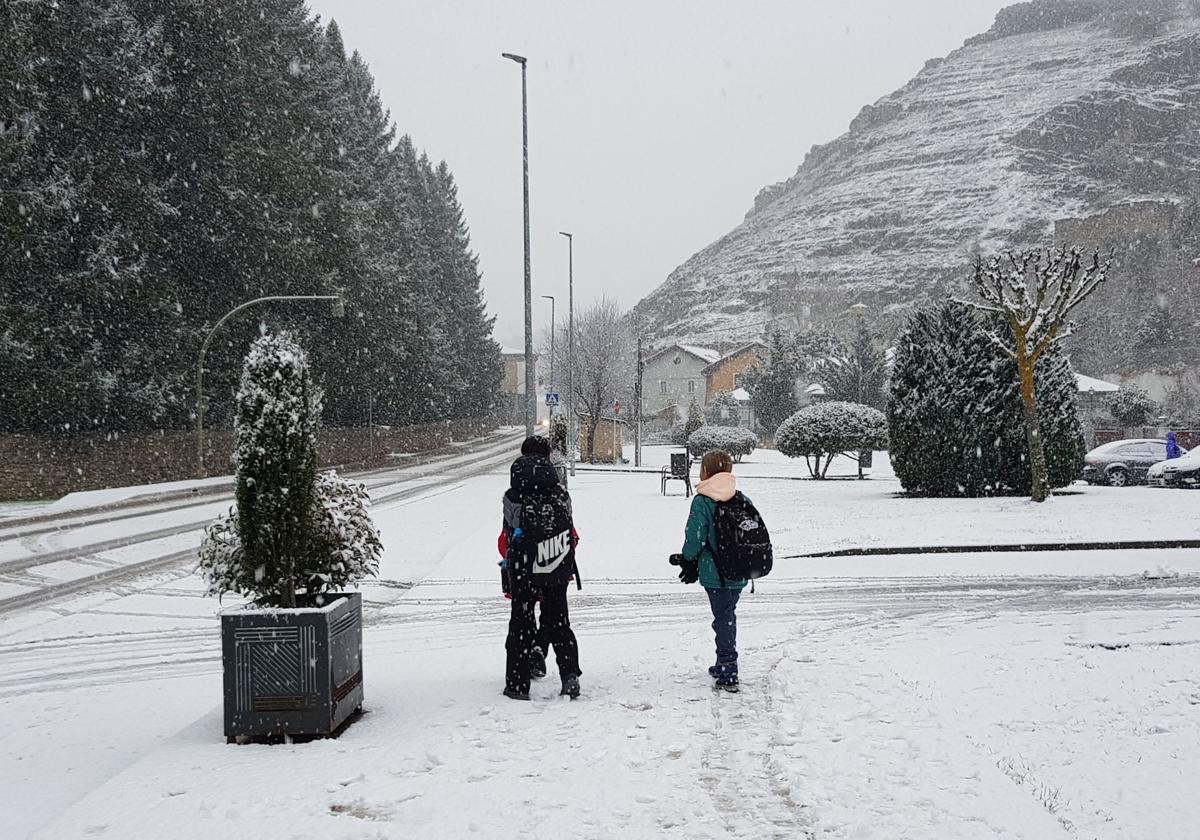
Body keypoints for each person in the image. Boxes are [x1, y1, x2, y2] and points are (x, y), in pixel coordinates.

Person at [499, 435, 582, 700]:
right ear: (547, 459)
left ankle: (517, 684)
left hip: (523, 568)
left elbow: (508, 535)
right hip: (556, 562)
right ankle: (569, 676)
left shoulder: (513, 495)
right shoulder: (559, 492)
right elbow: (569, 528)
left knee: (521, 622)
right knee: (559, 621)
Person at [672, 450, 747, 692]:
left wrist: (687, 558)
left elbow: (695, 537)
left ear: (706, 471)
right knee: (726, 614)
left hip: (715, 572)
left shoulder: (703, 500)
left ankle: (727, 667)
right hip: (739, 569)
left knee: (724, 619)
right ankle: (723, 662)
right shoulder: (740, 497)